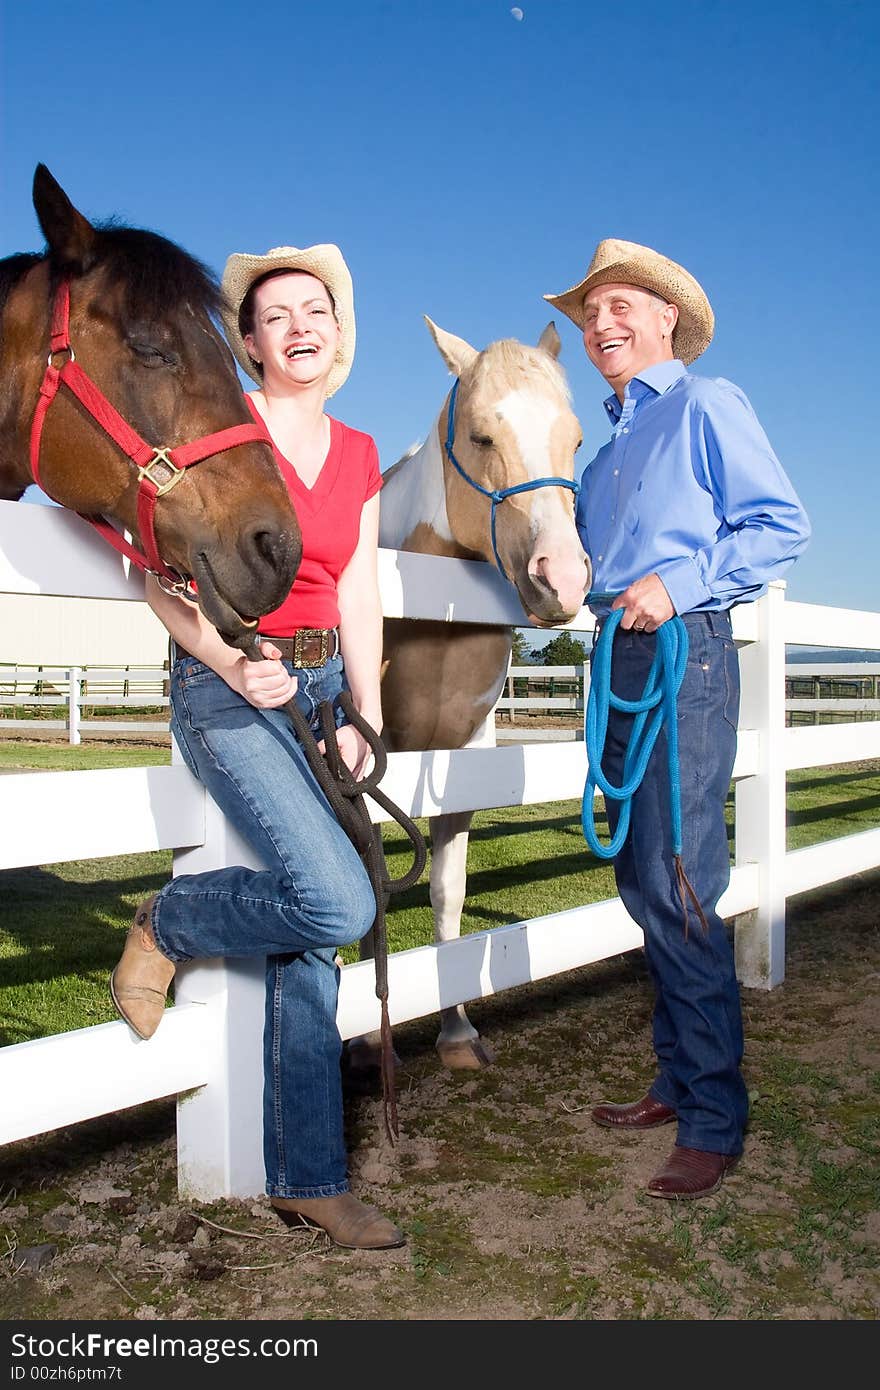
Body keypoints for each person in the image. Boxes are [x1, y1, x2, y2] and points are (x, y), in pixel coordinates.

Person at [110, 243, 404, 1249]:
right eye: (275, 315)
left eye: (315, 308)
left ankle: (308, 1175)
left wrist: (368, 707)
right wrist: (231, 664)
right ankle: (173, 916)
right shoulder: (216, 429)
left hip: (324, 691)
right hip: (228, 683)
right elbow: (155, 577)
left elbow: (358, 586)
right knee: (336, 896)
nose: (298, 326)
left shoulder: (360, 452)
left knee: (311, 940)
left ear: (338, 329)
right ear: (247, 342)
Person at [544, 240, 811, 1198]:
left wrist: (677, 580)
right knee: (641, 877)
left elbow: (781, 524)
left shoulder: (707, 405)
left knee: (680, 872)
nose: (601, 325)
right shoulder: (608, 450)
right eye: (590, 314)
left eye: (620, 306)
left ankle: (712, 1113)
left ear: (666, 318)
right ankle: (676, 1072)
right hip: (619, 648)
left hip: (684, 646)